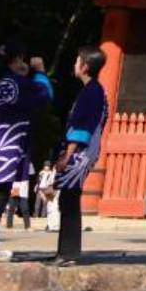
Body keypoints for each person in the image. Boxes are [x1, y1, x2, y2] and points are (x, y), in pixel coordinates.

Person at [51, 45, 109, 266]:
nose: (74, 65)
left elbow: (81, 126)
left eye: (77, 61)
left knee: (69, 199)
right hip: (83, 151)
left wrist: (67, 154)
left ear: (84, 67)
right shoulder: (95, 90)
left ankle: (68, 253)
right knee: (68, 200)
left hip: (80, 153)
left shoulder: (91, 93)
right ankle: (65, 252)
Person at [0, 41, 53, 263]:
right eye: (20, 60)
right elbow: (44, 95)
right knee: (1, 192)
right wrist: (39, 73)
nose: (23, 64)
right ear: (13, 60)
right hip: (5, 148)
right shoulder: (12, 84)